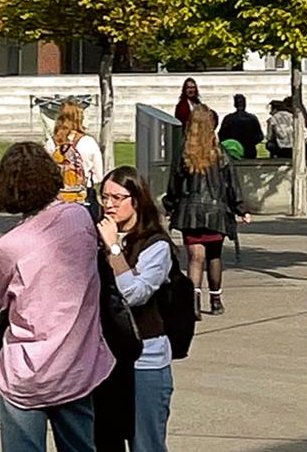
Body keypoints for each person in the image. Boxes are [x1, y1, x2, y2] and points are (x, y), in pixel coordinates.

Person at [0, 142, 115, 452]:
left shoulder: (9, 246)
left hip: (27, 371)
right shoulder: (80, 218)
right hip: (75, 360)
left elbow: (4, 299)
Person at [98, 166, 177, 451]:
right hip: (104, 360)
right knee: (105, 441)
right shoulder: (98, 237)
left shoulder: (155, 245)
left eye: (118, 198)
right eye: (104, 197)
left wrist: (114, 250)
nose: (109, 205)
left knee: (146, 444)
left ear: (137, 199)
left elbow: (135, 293)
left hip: (145, 359)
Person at [162, 110, 249, 318]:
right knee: (214, 255)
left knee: (195, 257)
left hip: (189, 212)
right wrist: (241, 208)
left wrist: (169, 204)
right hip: (216, 211)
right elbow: (232, 184)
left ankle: (193, 303)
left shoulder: (184, 153)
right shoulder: (220, 153)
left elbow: (174, 184)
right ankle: (216, 301)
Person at [53, 102, 105, 208]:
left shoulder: (51, 143)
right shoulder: (89, 142)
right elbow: (99, 176)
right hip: (82, 198)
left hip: (57, 199)